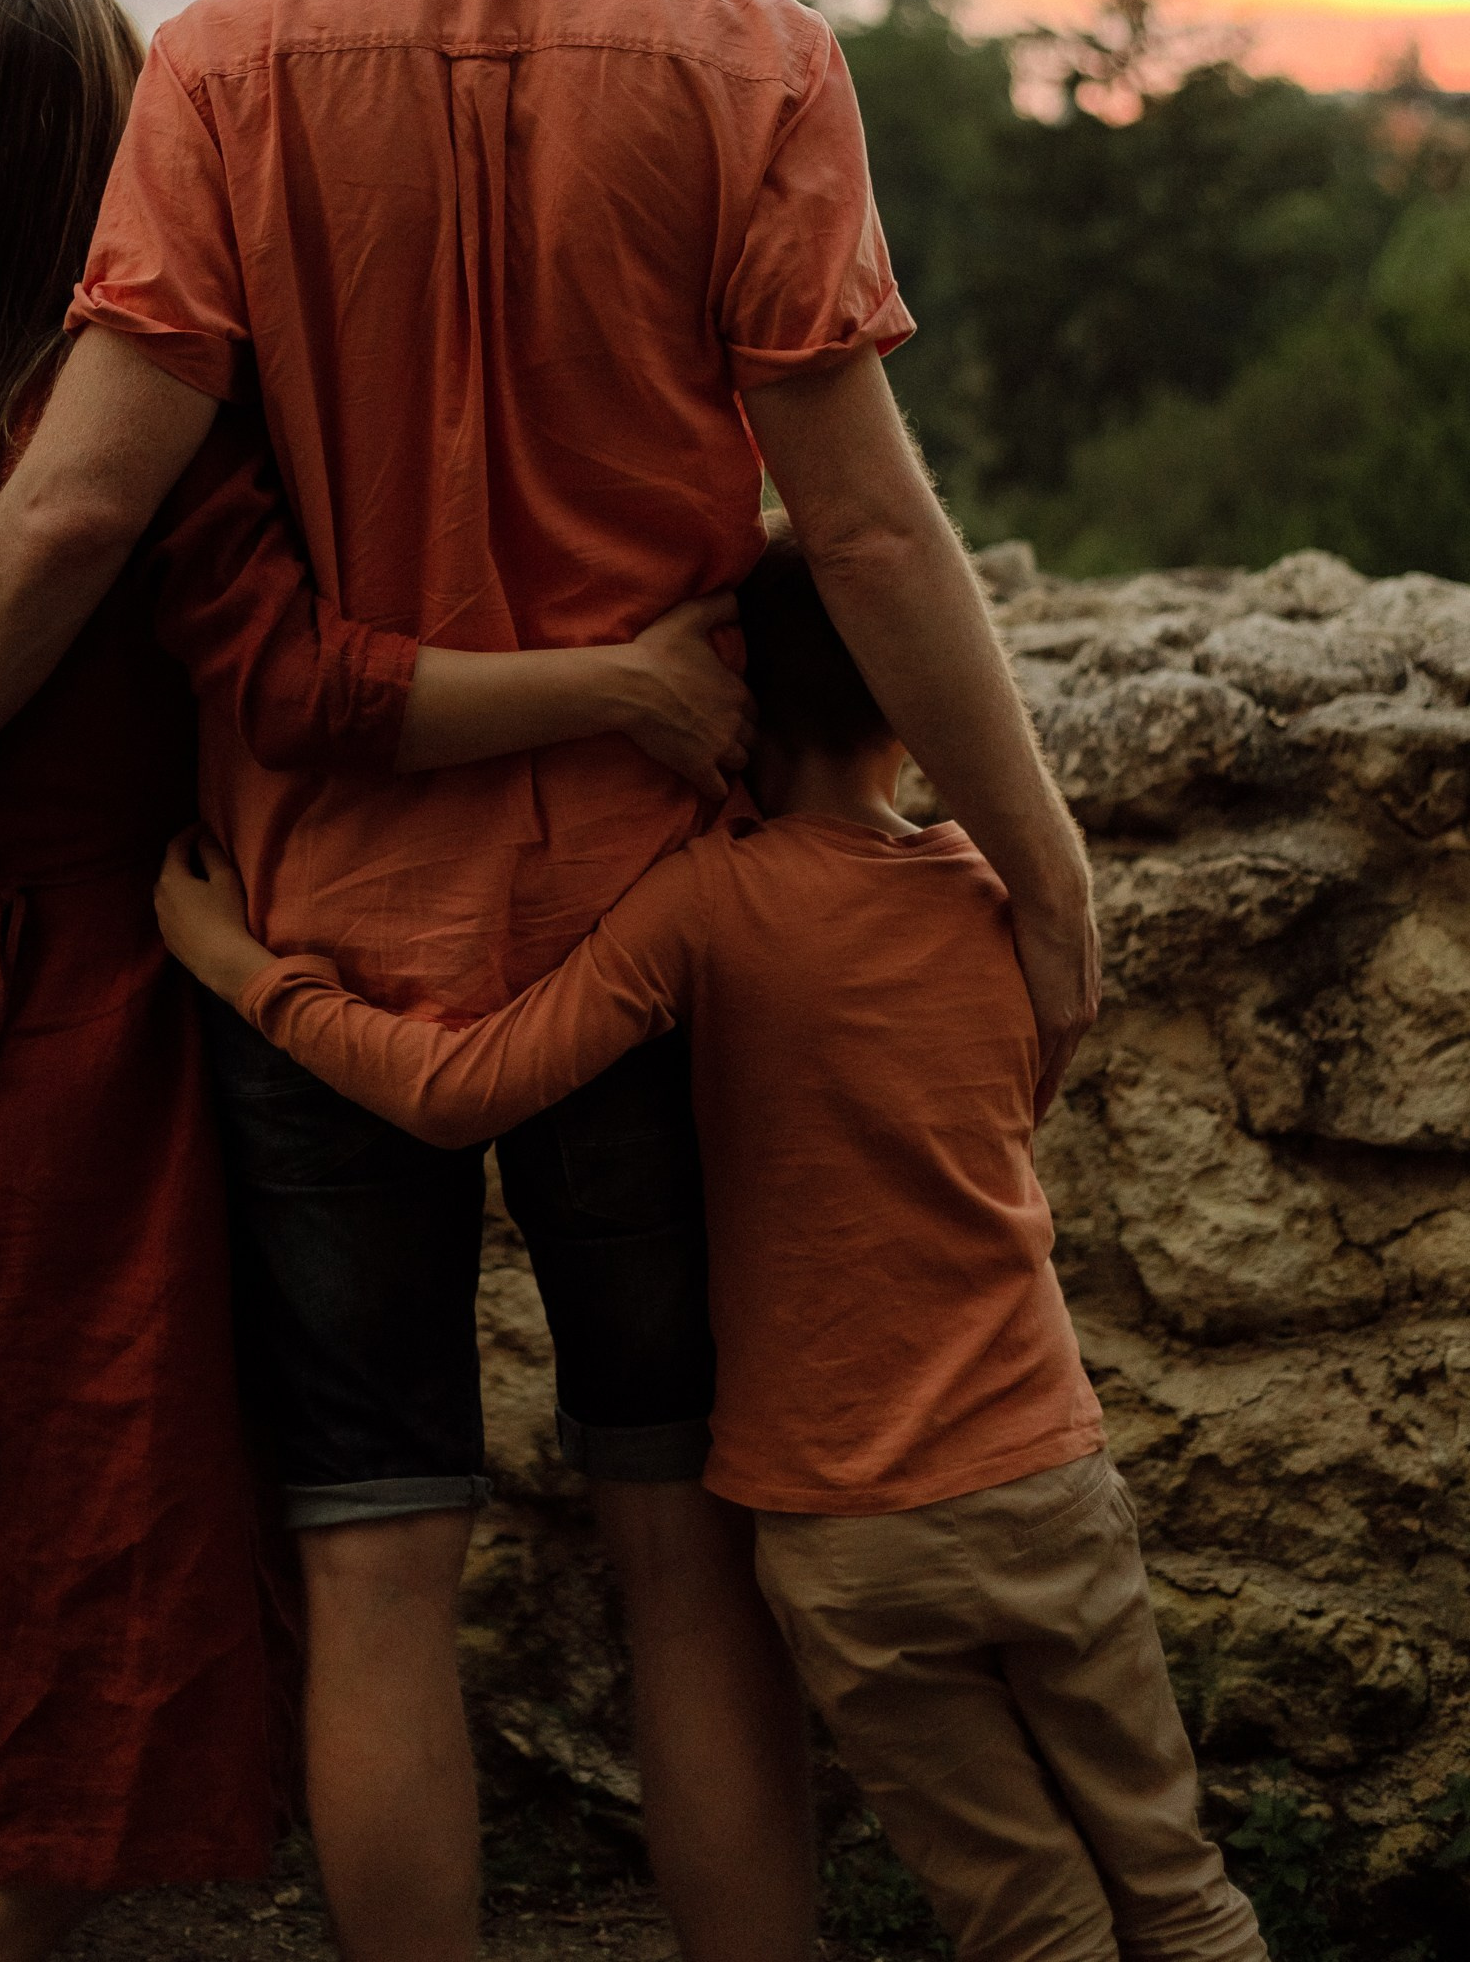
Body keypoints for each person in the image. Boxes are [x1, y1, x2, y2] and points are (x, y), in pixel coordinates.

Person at [0, 0, 1098, 1962]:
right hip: (646, 927)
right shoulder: (756, 63)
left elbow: (79, 501)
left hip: (315, 937)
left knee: (374, 1558)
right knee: (682, 1545)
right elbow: (880, 539)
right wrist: (1043, 861)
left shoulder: (225, 59)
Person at [0, 0, 748, 1962]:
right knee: (139, 1611)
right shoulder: (123, 446)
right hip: (82, 1069)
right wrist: (616, 685)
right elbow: (301, 685)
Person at [154, 531, 1268, 1962]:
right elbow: (1016, 1098)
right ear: (914, 707)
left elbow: (456, 1095)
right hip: (1050, 1486)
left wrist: (247, 972)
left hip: (850, 1532)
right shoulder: (1001, 904)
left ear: (735, 694)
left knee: (1026, 1918)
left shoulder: (706, 905)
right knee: (1179, 1888)